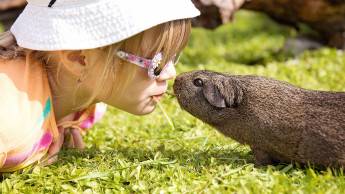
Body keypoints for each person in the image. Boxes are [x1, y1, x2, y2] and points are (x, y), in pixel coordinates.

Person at [0, 0, 200, 172]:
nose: (170, 73)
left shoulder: (90, 103)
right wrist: (25, 151)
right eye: (157, 62)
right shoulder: (11, 122)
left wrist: (56, 127)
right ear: (79, 59)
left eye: (172, 56)